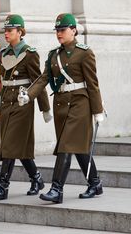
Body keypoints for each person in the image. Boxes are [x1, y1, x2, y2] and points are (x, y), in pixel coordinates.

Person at [18, 13, 105, 204]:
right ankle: (95, 183)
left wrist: (98, 110)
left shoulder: (84, 53)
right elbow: (43, 78)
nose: (59, 33)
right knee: (79, 147)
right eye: (57, 30)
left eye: (62, 30)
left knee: (65, 145)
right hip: (61, 106)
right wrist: (29, 95)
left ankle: (57, 189)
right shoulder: (53, 55)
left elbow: (92, 83)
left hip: (80, 105)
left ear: (73, 30)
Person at [0, 14, 52, 200]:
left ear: (20, 32)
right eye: (5, 30)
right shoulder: (4, 53)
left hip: (22, 103)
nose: (6, 34)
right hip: (6, 103)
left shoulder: (30, 53)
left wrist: (44, 108)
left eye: (10, 30)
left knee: (9, 144)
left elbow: (38, 81)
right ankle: (36, 178)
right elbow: (0, 82)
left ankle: (2, 185)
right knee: (17, 146)